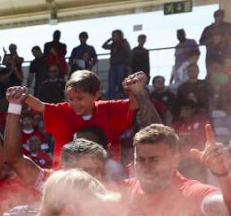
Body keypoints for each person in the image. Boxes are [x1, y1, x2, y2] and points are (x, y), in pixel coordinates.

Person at [23, 70, 159, 166]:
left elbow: (134, 104)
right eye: (70, 99)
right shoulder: (63, 110)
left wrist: (134, 88)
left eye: (80, 98)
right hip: (67, 172)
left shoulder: (108, 108)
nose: (74, 103)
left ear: (96, 95)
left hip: (104, 173)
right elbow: (40, 106)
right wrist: (24, 95)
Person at [102, 29, 132, 98]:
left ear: (119, 35)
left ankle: (123, 99)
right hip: (113, 66)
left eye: (114, 35)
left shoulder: (124, 43)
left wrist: (128, 65)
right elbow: (104, 46)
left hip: (121, 66)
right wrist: (110, 39)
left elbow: (129, 54)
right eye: (112, 35)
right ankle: (112, 99)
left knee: (121, 83)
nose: (113, 37)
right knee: (111, 83)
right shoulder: (113, 44)